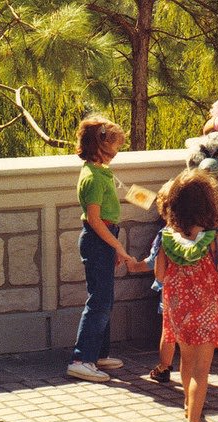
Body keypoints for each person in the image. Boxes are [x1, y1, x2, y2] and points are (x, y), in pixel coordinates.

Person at [155, 168, 218, 422]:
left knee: (186, 360)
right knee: (201, 371)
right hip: (206, 311)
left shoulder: (167, 238)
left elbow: (159, 274)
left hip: (179, 309)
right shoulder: (215, 239)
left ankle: (187, 406)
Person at [67, 117, 136, 383]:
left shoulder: (99, 172)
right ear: (100, 145)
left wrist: (114, 244)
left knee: (105, 299)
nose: (117, 152)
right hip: (98, 239)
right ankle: (81, 358)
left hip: (103, 238)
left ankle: (96, 354)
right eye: (115, 146)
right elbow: (94, 219)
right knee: (99, 300)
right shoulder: (93, 177)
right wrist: (116, 244)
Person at [126, 179, 176, 383]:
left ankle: (164, 367)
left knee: (169, 331)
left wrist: (134, 266)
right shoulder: (208, 235)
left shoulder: (166, 236)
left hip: (174, 294)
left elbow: (154, 265)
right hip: (200, 295)